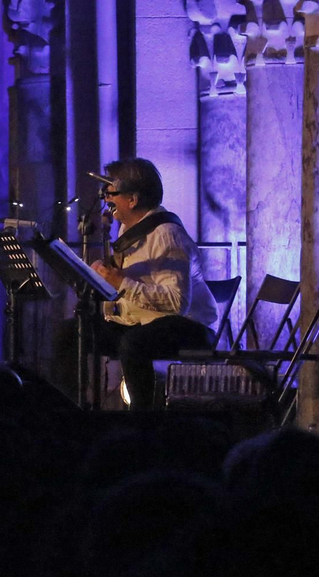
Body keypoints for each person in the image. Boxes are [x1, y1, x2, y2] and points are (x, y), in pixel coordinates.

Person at [80, 157, 217, 410]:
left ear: (133, 200)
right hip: (142, 322)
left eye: (111, 193)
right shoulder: (127, 230)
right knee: (74, 333)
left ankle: (141, 423)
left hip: (189, 326)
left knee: (133, 343)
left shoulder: (167, 234)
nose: (106, 199)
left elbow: (177, 303)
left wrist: (120, 281)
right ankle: (72, 415)